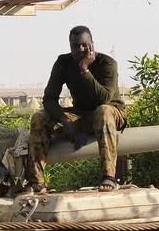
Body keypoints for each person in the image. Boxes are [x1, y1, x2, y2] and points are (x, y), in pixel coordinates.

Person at [25, 26, 126, 194]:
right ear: (70, 47)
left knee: (103, 111)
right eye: (75, 46)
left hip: (111, 113)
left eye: (84, 45)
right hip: (82, 114)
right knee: (39, 117)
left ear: (92, 45)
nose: (80, 49)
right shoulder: (63, 63)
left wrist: (84, 69)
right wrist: (65, 120)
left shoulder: (107, 63)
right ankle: (37, 182)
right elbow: (49, 99)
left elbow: (104, 99)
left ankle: (109, 177)